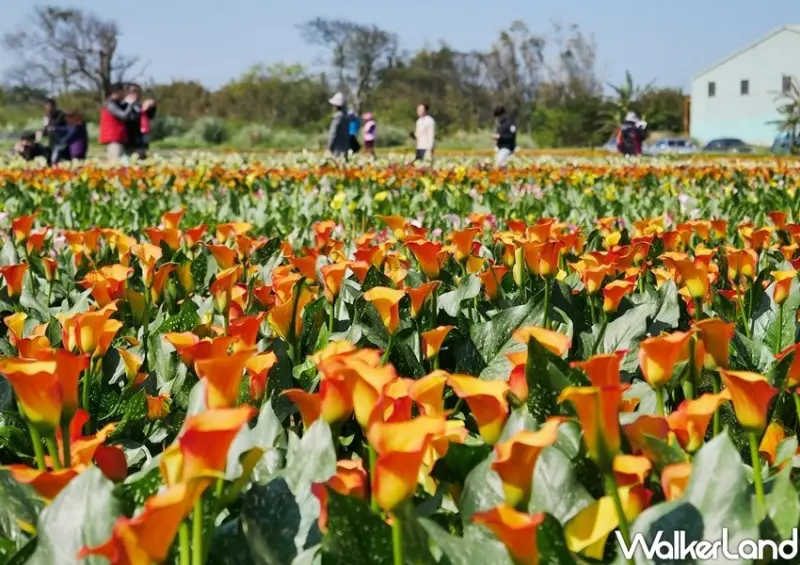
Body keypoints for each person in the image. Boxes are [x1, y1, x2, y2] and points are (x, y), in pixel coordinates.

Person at [122, 84, 156, 159]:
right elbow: (127, 117)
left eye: (138, 92)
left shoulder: (139, 105)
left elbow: (150, 116)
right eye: (134, 92)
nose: (136, 95)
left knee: (143, 155)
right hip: (130, 137)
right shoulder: (124, 104)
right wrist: (140, 110)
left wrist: (151, 107)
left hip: (142, 136)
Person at [40, 98, 69, 165]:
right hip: (51, 143)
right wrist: (42, 132)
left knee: (55, 160)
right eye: (46, 107)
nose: (48, 109)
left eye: (50, 107)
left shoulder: (62, 115)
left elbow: (68, 128)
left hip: (61, 142)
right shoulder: (47, 117)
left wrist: (56, 128)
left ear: (54, 106)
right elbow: (46, 129)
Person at [326, 92, 350, 159]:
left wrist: (329, 147)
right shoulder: (346, 116)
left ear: (336, 106)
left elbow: (333, 133)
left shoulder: (337, 117)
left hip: (337, 148)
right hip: (345, 147)